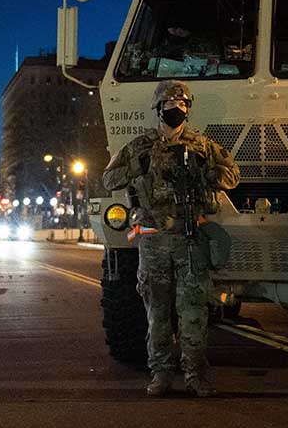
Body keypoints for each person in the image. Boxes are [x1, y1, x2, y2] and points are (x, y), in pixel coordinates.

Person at [102, 79, 241, 397]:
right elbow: (109, 177)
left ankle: (195, 374)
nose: (175, 111)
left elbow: (232, 175)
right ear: (158, 109)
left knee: (193, 311)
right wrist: (139, 165)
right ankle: (161, 373)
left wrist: (208, 172)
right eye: (169, 105)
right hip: (153, 240)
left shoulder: (202, 146)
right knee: (158, 312)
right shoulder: (140, 147)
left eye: (181, 105)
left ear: (188, 109)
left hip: (189, 238)